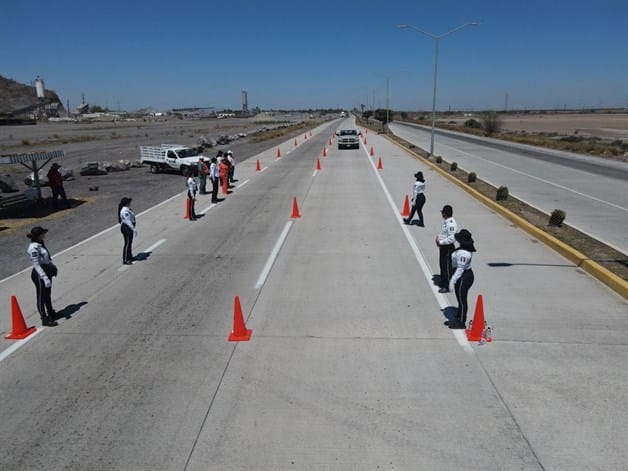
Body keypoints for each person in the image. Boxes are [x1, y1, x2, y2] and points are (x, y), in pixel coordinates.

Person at [26, 226, 58, 326]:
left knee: (47, 295)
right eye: (43, 233)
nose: (45, 234)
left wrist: (52, 267)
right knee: (41, 296)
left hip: (46, 270)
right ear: (38, 235)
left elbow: (46, 258)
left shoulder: (40, 243)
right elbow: (36, 264)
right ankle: (44, 318)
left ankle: (51, 313)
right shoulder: (33, 248)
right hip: (39, 274)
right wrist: (44, 277)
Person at [447, 229, 476, 329]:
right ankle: (459, 315)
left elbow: (460, 269)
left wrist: (452, 280)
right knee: (459, 298)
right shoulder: (462, 250)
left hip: (464, 276)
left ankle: (462, 322)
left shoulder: (464, 254)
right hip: (461, 275)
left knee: (462, 299)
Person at [435, 204, 458, 293]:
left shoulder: (451, 224)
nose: (442, 214)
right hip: (443, 247)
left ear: (445, 213)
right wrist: (438, 237)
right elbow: (444, 233)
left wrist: (441, 242)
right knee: (442, 264)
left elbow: (452, 238)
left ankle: (447, 285)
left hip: (448, 248)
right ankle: (443, 280)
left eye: (442, 212)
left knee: (447, 267)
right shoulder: (446, 222)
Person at [118, 197, 136, 265]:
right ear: (127, 203)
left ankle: (130, 256)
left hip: (128, 227)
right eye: (129, 202)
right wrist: (133, 229)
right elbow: (127, 221)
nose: (130, 203)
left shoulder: (127, 209)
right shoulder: (125, 211)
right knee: (127, 243)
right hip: (126, 228)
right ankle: (125, 259)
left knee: (129, 242)